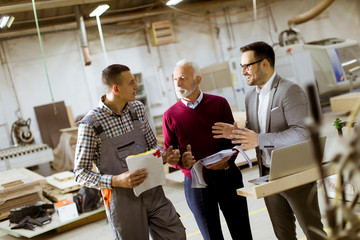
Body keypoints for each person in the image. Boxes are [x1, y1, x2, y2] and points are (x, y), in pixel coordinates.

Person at [212, 41, 327, 240]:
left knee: (313, 231)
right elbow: (255, 133)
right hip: (268, 174)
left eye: (247, 66)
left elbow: (302, 134)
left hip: (295, 173)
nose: (243, 72)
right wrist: (237, 132)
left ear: (265, 64)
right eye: (241, 67)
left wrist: (259, 139)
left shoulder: (289, 91)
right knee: (283, 235)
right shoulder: (250, 97)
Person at [74, 64, 186, 240]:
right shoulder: (90, 125)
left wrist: (163, 156)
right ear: (116, 89)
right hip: (122, 203)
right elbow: (80, 173)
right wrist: (116, 180)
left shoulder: (138, 109)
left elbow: (151, 146)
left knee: (176, 235)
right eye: (132, 82)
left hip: (153, 192)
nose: (137, 86)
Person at [162, 59, 253, 240]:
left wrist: (227, 161)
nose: (177, 84)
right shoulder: (170, 116)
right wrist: (181, 162)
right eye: (174, 79)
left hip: (228, 177)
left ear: (197, 80)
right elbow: (170, 154)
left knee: (242, 233)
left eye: (183, 78)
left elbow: (232, 139)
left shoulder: (219, 104)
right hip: (197, 184)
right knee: (211, 236)